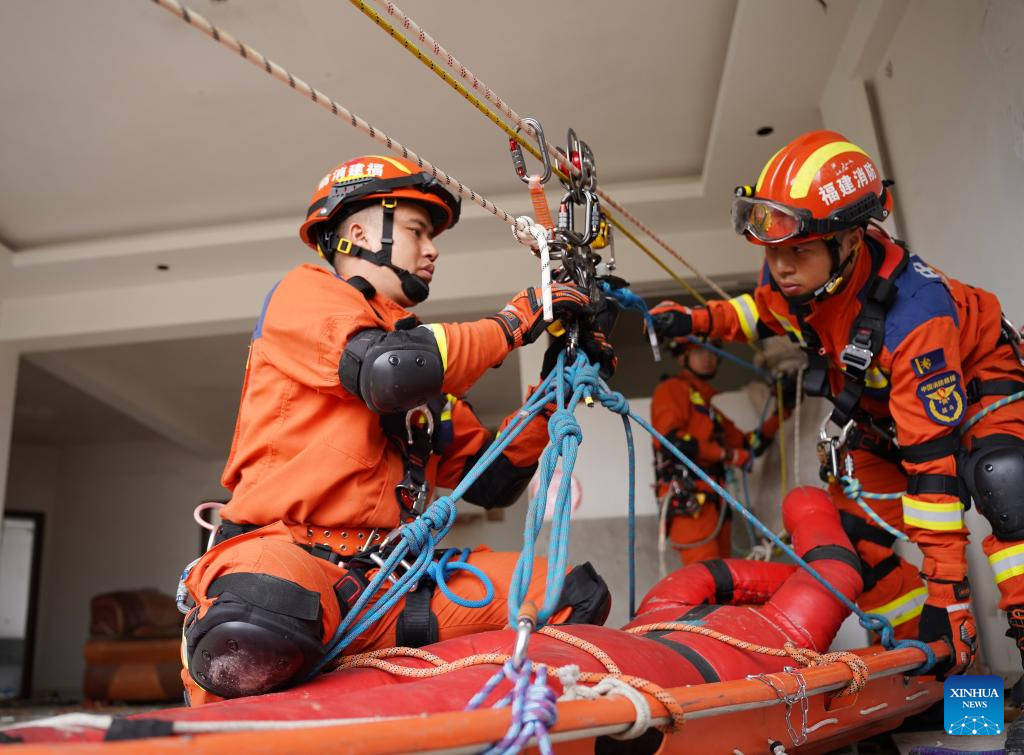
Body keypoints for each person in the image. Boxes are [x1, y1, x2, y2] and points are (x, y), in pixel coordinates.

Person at [178, 155, 614, 705]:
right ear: (360, 233)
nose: (432, 250)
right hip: (288, 560)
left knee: (572, 594)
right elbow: (388, 370)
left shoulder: (428, 375)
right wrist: (511, 324)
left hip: (391, 582)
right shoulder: (307, 294)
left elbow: (495, 480)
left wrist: (556, 387)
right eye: (416, 231)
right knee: (258, 623)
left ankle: (441, 716)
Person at [650, 129, 1024, 680]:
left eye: (797, 252)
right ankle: (919, 667)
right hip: (883, 413)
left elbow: (932, 470)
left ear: (849, 241)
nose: (780, 267)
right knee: (850, 549)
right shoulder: (800, 278)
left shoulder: (914, 315)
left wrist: (948, 591)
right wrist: (695, 321)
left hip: (975, 384)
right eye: (772, 252)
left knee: (1004, 482)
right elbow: (760, 311)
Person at [651, 337, 780, 565]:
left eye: (712, 352)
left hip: (716, 506)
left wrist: (781, 413)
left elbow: (748, 445)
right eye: (699, 352)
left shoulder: (709, 410)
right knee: (707, 576)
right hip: (691, 505)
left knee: (724, 578)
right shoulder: (672, 389)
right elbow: (671, 442)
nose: (707, 358)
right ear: (682, 357)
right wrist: (725, 455)